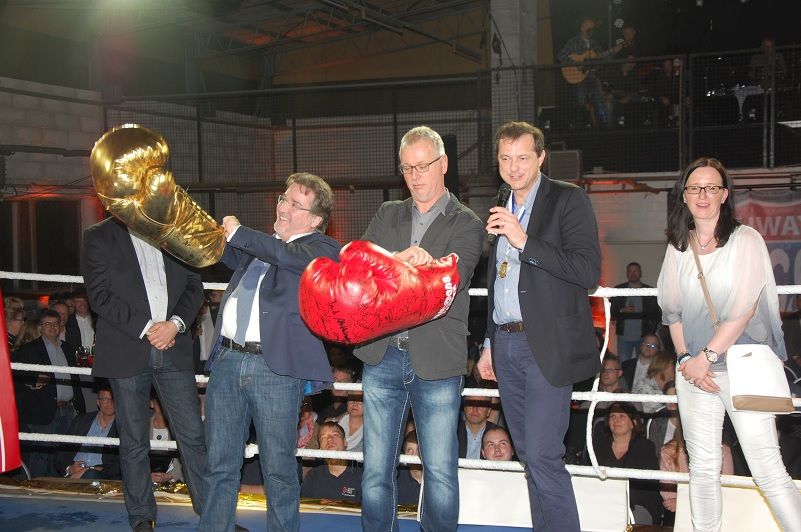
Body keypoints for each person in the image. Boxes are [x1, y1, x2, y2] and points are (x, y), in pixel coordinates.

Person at [657, 156, 801, 530]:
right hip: (693, 372)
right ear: (684, 195)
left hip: (740, 366)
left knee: (767, 469)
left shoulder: (746, 240)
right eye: (694, 187)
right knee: (702, 470)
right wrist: (686, 359)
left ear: (724, 194)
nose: (702, 194)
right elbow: (673, 312)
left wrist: (704, 357)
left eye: (711, 187)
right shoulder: (678, 246)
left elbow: (743, 309)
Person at [355, 125, 484, 532]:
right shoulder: (387, 213)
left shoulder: (468, 223)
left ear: (443, 164)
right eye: (407, 168)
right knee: (374, 471)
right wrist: (404, 261)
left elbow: (454, 277)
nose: (415, 176)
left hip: (438, 359)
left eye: (423, 166)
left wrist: (404, 266)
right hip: (381, 355)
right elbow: (360, 268)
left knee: (441, 473)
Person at [477, 120, 601, 531]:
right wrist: (488, 342)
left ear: (541, 157)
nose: (513, 168)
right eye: (505, 159)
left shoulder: (568, 199)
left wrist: (525, 240)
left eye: (522, 158)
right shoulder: (501, 203)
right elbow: (497, 281)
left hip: (547, 344)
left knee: (544, 456)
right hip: (505, 343)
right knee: (530, 458)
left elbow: (587, 271)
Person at [199, 173, 340, 532]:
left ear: (315, 219)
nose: (283, 207)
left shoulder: (322, 250)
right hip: (228, 360)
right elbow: (214, 249)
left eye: (295, 204)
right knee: (218, 465)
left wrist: (239, 231)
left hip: (275, 370)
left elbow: (283, 255)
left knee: (278, 470)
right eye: (283, 199)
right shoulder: (263, 246)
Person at [82, 217, 206, 532]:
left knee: (193, 435)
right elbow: (99, 295)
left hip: (174, 347)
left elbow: (194, 285)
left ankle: (213, 514)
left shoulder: (173, 228)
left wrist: (175, 324)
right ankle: (141, 517)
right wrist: (149, 329)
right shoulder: (99, 236)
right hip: (127, 348)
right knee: (134, 439)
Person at [11, 309, 86, 477]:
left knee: (61, 455)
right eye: (47, 324)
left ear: (60, 327)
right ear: (40, 327)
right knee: (40, 455)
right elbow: (15, 377)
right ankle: (34, 487)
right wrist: (33, 382)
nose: (52, 327)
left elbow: (75, 379)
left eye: (55, 324)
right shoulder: (29, 349)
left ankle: (55, 487)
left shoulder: (67, 348)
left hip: (68, 410)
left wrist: (79, 407)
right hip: (42, 410)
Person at [590, 402, 662, 524]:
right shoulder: (598, 447)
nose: (616, 420)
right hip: (604, 502)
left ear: (633, 423)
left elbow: (646, 487)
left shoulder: (645, 447)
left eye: (622, 416)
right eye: (612, 416)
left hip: (638, 505)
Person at [557, 18, 625, 127]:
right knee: (581, 102)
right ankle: (580, 127)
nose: (590, 28)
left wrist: (614, 51)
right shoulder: (574, 41)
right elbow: (560, 55)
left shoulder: (594, 43)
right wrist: (576, 63)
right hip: (577, 77)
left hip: (592, 76)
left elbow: (602, 57)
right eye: (588, 25)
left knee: (598, 101)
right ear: (582, 27)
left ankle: (604, 127)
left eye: (592, 26)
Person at [55, 385, 120, 480]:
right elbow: (61, 452)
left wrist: (89, 469)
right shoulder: (81, 420)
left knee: (91, 474)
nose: (109, 403)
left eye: (113, 399)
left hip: (100, 476)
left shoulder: (122, 427)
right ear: (98, 402)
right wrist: (69, 469)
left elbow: (119, 464)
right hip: (73, 473)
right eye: (105, 399)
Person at [300, 421, 362, 503]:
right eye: (324, 437)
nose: (329, 439)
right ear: (320, 448)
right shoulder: (312, 477)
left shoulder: (362, 476)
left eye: (335, 435)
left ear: (345, 442)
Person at [610, 263, 661, 362]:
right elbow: (612, 312)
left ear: (640, 273)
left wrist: (651, 333)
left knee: (644, 364)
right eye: (630, 271)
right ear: (627, 274)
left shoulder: (649, 291)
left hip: (644, 337)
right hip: (623, 337)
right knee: (623, 364)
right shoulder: (618, 290)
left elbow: (656, 314)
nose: (633, 273)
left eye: (635, 271)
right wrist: (622, 311)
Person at [148, 394, 183, 485]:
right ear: (151, 403)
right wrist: (146, 474)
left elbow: (187, 458)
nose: (162, 403)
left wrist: (170, 475)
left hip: (174, 483)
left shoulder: (179, 428)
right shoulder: (143, 427)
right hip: (146, 482)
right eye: (158, 399)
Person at [458, 394, 497, 460]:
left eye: (481, 404)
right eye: (470, 403)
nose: (475, 409)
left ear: (489, 411)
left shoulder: (498, 435)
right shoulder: (451, 433)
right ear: (465, 408)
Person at [396, 431, 422, 505]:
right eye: (410, 450)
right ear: (404, 453)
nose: (415, 455)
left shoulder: (436, 480)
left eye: (419, 450)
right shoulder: (395, 479)